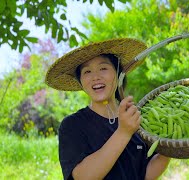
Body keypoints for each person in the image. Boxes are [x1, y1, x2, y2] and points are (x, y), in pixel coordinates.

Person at [45, 38, 170, 180]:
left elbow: (145, 174)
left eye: (103, 68)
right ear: (81, 82)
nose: (95, 77)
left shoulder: (135, 117)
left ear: (117, 74)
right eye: (87, 72)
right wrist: (124, 132)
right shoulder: (73, 125)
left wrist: (169, 147)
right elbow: (83, 176)